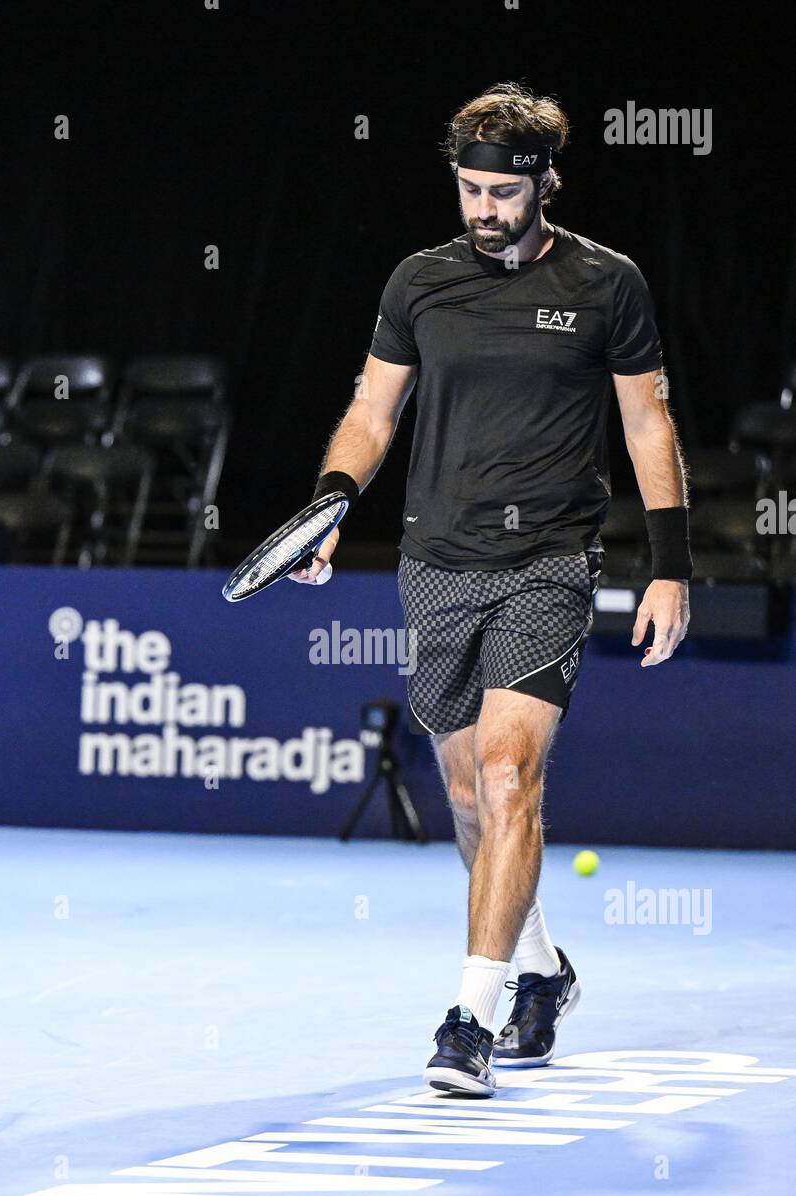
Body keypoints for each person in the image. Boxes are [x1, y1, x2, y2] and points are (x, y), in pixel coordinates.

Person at [291, 82, 690, 1096]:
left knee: (512, 776)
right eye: (468, 188)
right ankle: (542, 969)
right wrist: (333, 498)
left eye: (502, 192)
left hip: (550, 562)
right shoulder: (417, 283)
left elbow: (647, 425)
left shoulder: (608, 284)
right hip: (435, 562)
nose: (482, 209)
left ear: (544, 182)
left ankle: (467, 1019)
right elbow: (371, 413)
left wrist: (669, 564)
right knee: (468, 794)